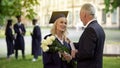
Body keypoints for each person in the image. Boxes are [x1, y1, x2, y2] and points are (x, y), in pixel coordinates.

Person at [71, 3, 105, 68]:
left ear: (84, 15)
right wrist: (70, 43)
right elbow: (86, 45)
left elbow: (87, 53)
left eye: (80, 15)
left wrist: (75, 55)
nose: (80, 19)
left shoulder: (90, 29)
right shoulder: (99, 28)